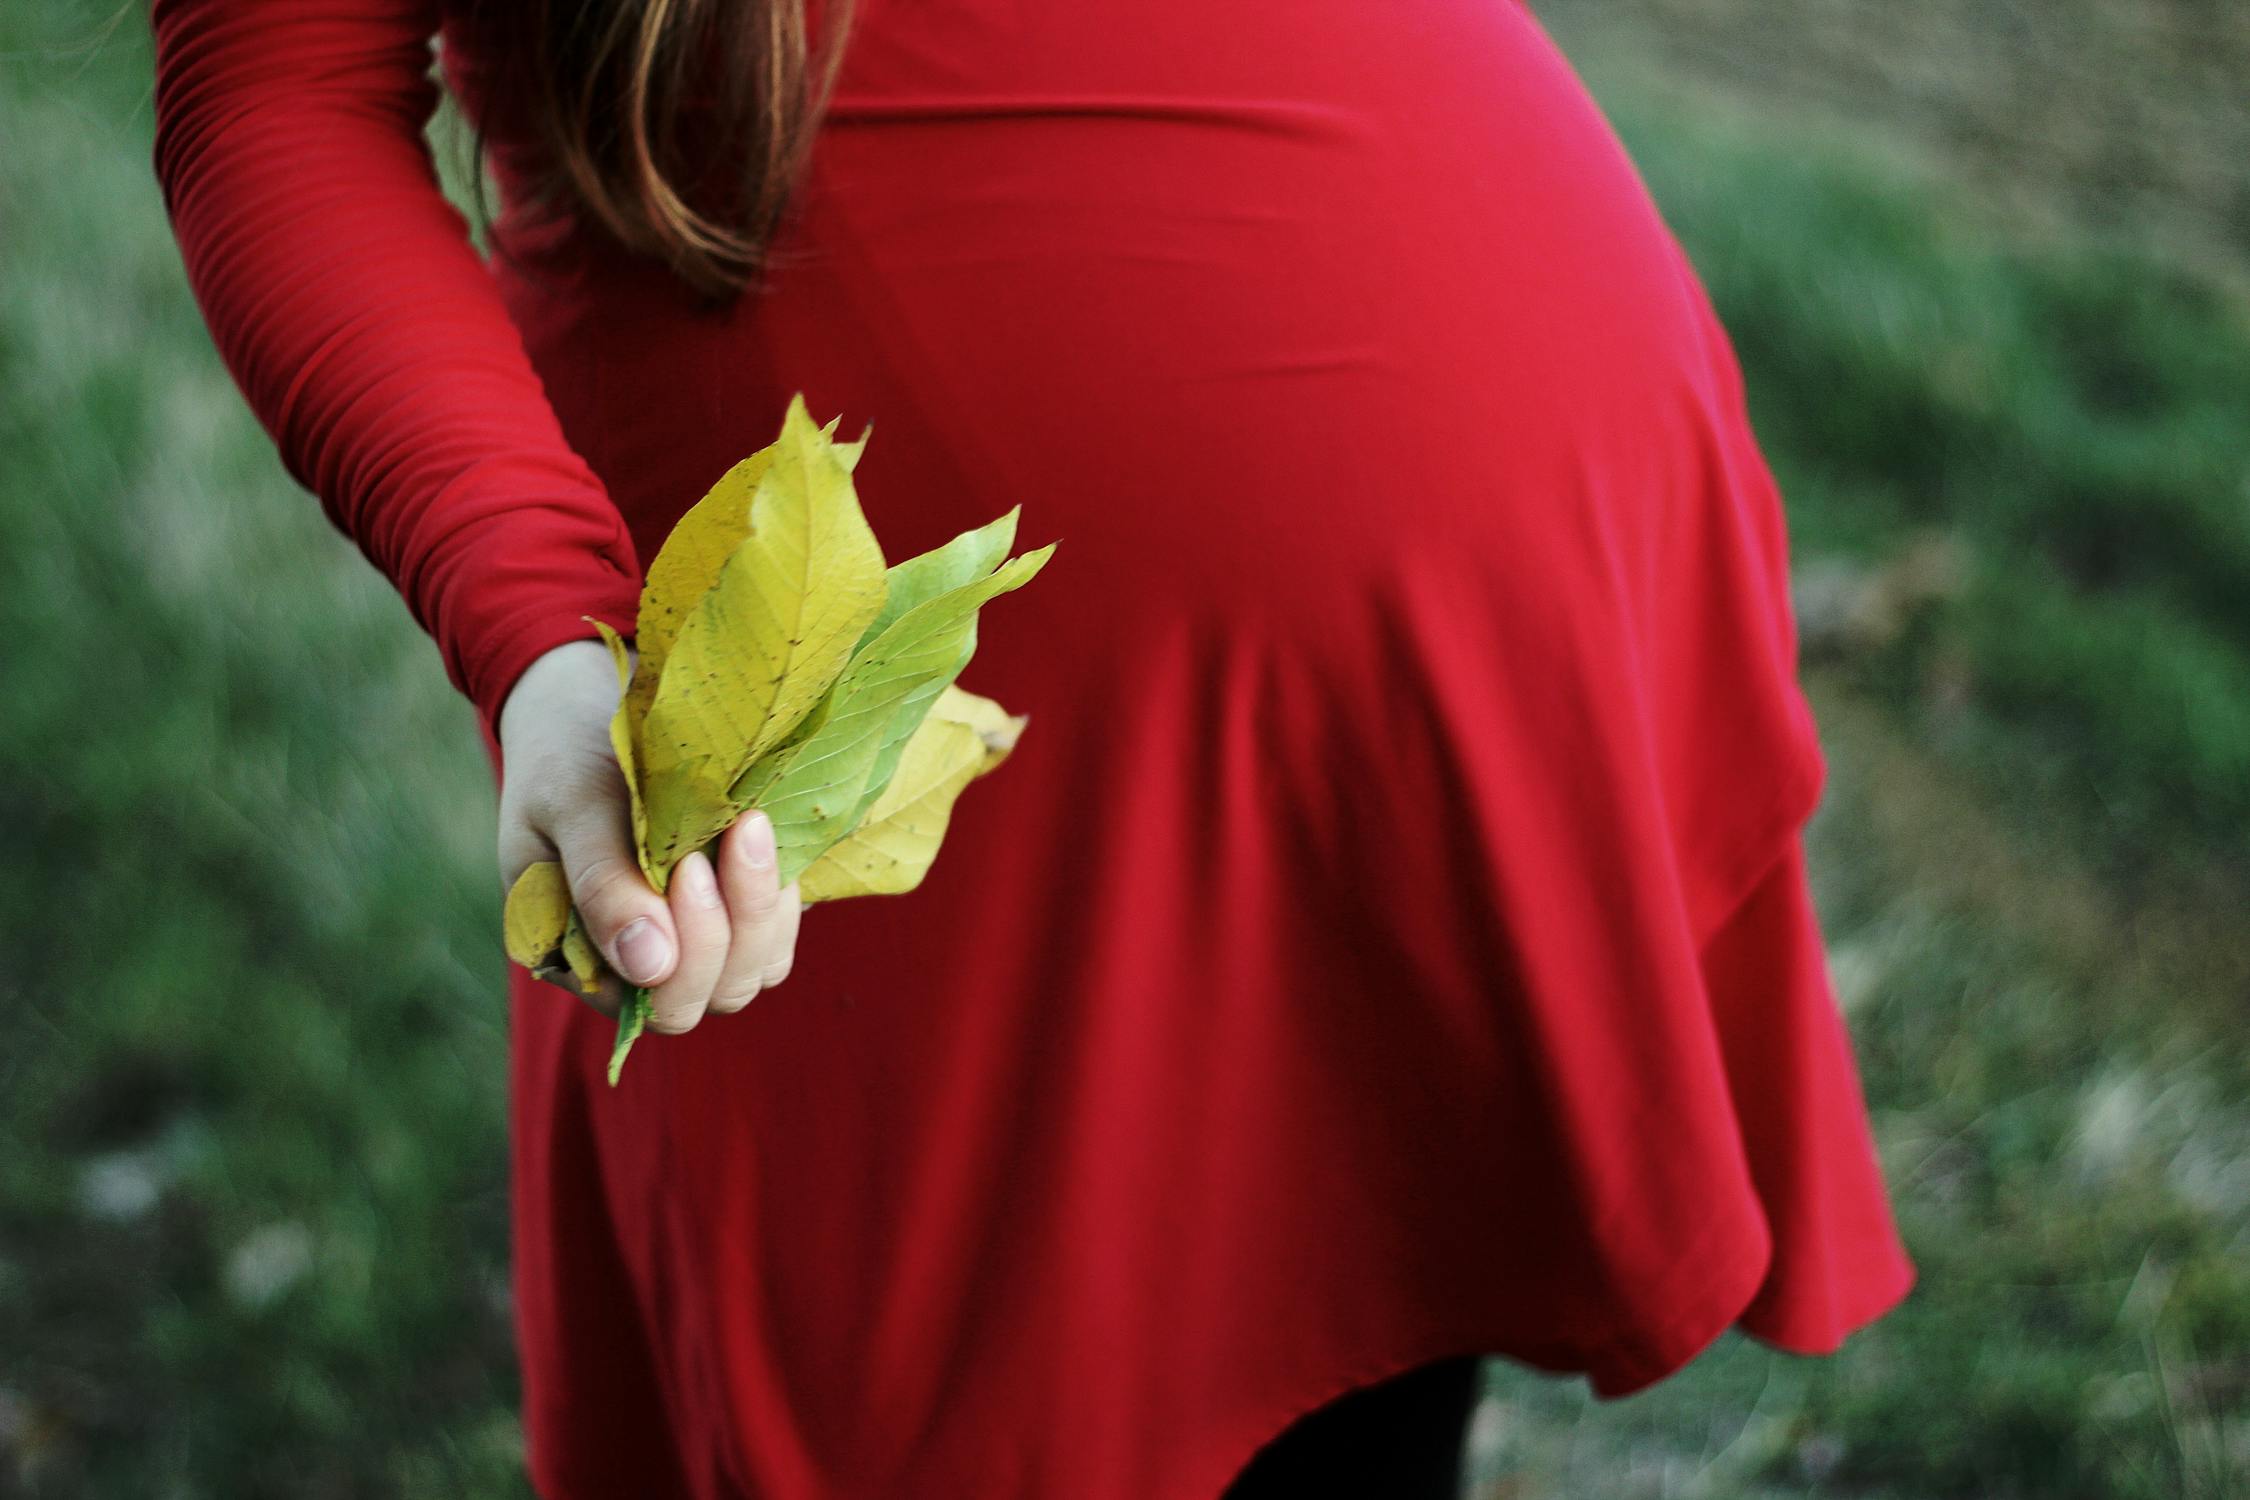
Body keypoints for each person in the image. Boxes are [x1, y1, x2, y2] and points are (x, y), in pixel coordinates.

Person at [148, 0, 1919, 1494]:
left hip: (1497, 485)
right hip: (945, 698)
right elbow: (276, 83)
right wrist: (536, 618)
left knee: (1353, 1313)